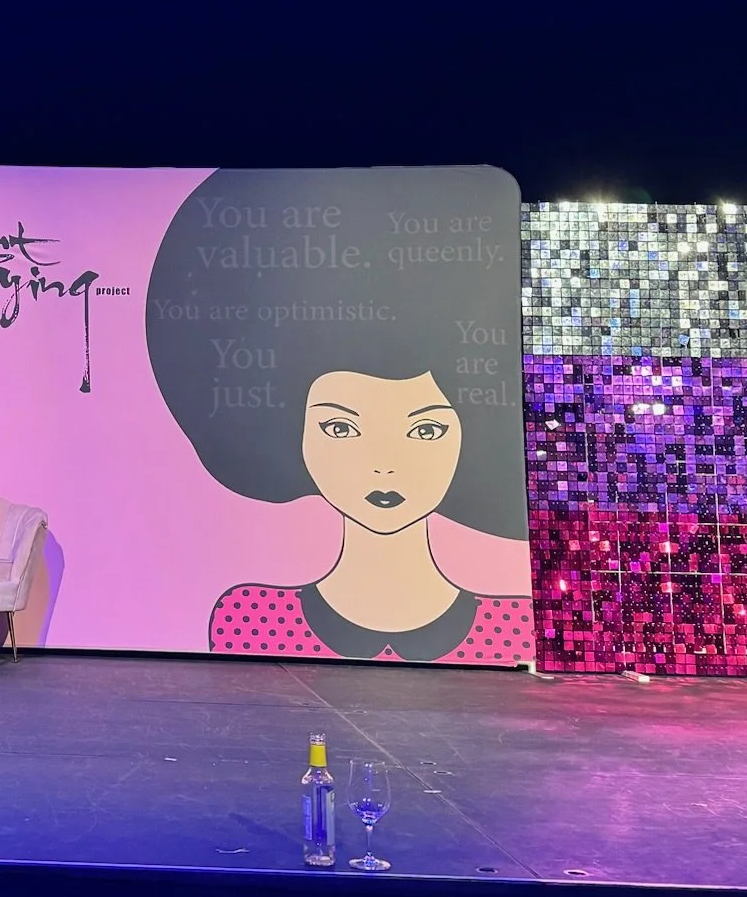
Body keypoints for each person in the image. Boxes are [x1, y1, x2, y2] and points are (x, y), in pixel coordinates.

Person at [146, 168, 533, 665]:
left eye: (425, 429)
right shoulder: (250, 619)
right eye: (341, 428)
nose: (384, 465)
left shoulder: (513, 626)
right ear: (296, 432)